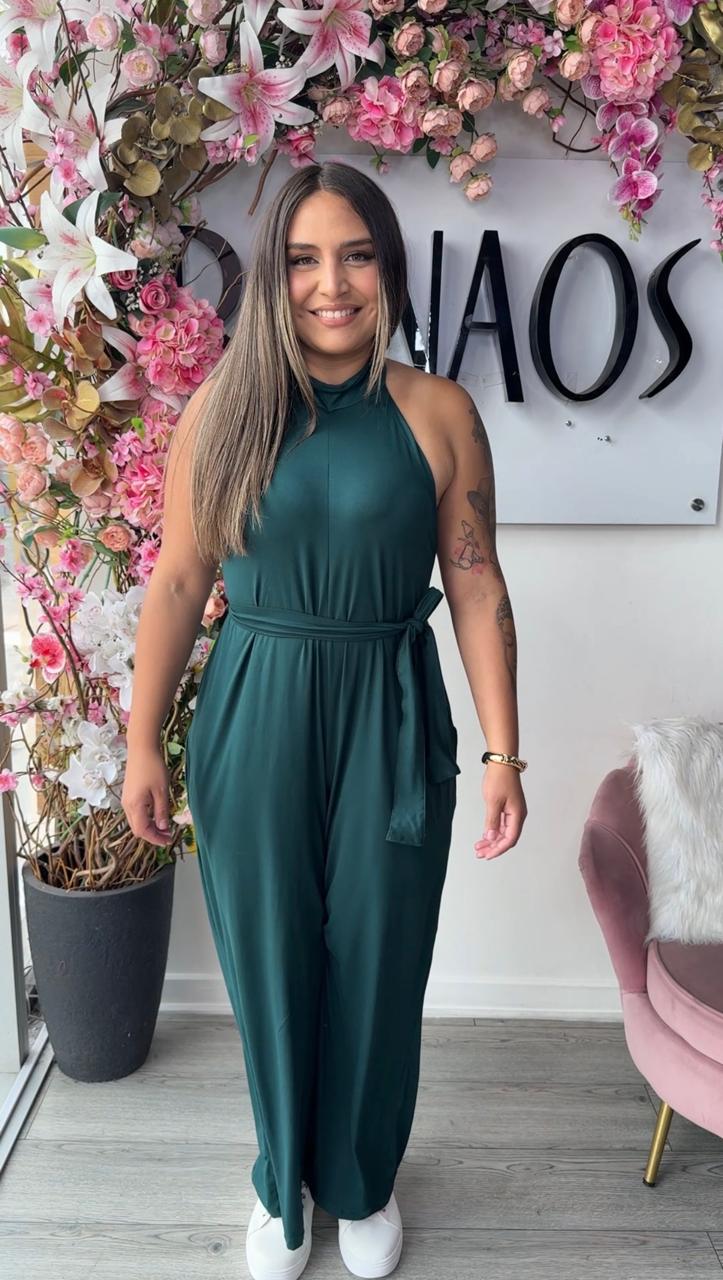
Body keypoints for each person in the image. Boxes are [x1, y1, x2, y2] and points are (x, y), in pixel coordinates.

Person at [123, 160, 528, 1280]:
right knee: (269, 955)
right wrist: (141, 742)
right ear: (274, 276)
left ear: (387, 268)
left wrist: (503, 751)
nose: (330, 284)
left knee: (382, 954)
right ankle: (282, 1182)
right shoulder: (225, 411)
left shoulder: (439, 412)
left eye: (354, 256)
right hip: (254, 705)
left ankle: (360, 1177)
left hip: (392, 715)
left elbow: (476, 582)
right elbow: (177, 580)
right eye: (303, 259)